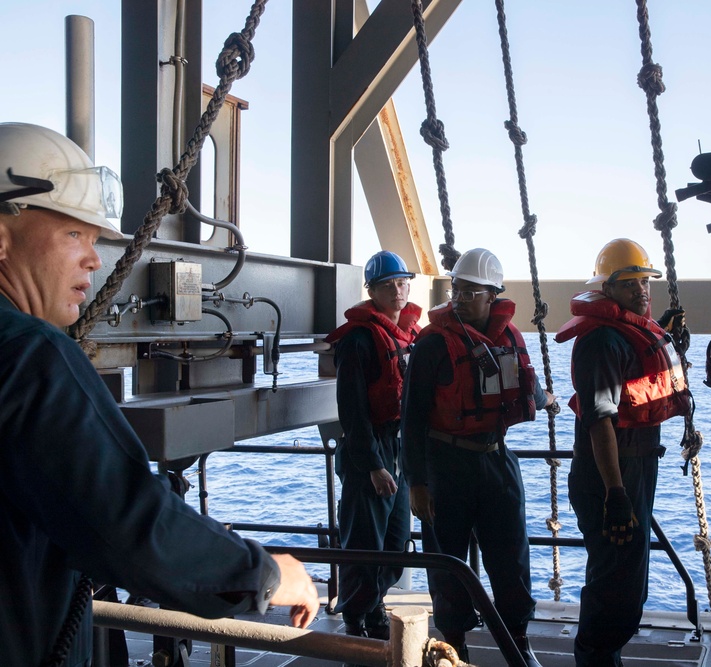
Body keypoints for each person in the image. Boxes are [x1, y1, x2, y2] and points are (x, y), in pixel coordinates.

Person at [0, 122, 319, 667]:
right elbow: (130, 526)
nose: (95, 259)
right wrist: (267, 573)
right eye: (74, 234)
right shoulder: (31, 357)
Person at [400, 248, 552, 667]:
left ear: (493, 296)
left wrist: (546, 399)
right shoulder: (432, 346)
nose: (461, 298)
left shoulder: (509, 340)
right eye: (457, 290)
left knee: (512, 558)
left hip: (497, 459)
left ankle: (517, 640)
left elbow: (528, 390)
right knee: (448, 563)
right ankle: (454, 644)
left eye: (471, 292)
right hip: (445, 465)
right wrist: (416, 482)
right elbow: (410, 419)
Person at [554, 238, 690, 667]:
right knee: (616, 583)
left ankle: (603, 657)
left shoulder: (630, 333)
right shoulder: (600, 342)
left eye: (644, 281)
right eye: (629, 282)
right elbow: (600, 422)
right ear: (605, 289)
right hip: (609, 475)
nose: (641, 290)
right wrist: (615, 494)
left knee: (627, 580)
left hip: (636, 468)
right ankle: (595, 658)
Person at [324, 250, 421, 640]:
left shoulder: (406, 336)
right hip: (370, 453)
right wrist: (373, 465)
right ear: (372, 291)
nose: (397, 291)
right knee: (364, 543)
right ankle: (355, 621)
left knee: (396, 541)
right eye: (388, 285)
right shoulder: (359, 341)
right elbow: (352, 412)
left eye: (402, 283)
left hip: (397, 449)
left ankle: (374, 603)